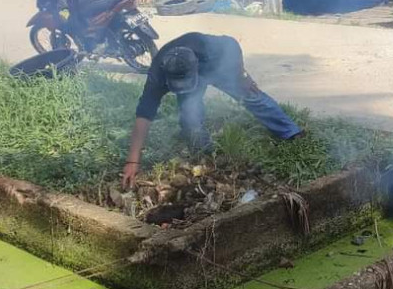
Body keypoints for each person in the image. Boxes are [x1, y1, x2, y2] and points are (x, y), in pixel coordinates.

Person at [121, 33, 303, 187]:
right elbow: (144, 113)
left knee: (251, 95)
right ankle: (201, 147)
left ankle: (291, 132)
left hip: (215, 67)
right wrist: (133, 160)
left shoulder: (209, 48)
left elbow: (232, 45)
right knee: (189, 112)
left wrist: (242, 75)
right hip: (192, 72)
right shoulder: (158, 74)